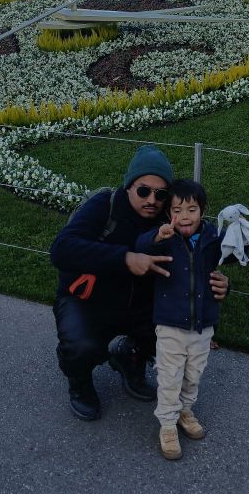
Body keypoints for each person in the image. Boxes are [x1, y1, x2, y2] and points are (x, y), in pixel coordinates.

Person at [49, 145, 229, 421]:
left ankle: (129, 357)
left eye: (161, 194)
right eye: (143, 190)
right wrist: (125, 259)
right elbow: (61, 249)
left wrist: (221, 284)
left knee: (178, 335)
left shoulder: (169, 218)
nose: (152, 200)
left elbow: (195, 259)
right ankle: (80, 384)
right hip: (89, 301)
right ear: (128, 186)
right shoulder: (104, 205)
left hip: (143, 304)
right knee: (82, 346)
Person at [134, 178, 224, 460]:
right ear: (167, 214)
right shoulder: (166, 239)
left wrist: (243, 238)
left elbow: (230, 260)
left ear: (203, 210)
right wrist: (157, 237)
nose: (184, 216)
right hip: (171, 323)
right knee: (170, 375)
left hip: (202, 323)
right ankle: (168, 424)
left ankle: (186, 409)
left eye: (192, 209)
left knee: (194, 373)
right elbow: (141, 245)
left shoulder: (211, 239)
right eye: (177, 210)